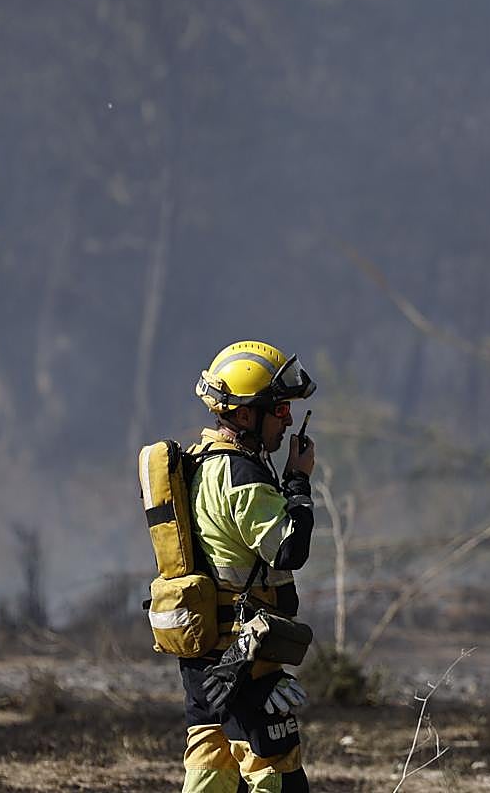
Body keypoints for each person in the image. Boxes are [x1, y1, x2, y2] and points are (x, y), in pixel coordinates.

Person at [180, 340, 317, 793]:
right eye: (277, 409)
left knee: (210, 775)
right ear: (243, 415)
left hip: (205, 659)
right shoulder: (241, 475)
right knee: (276, 778)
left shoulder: (201, 463)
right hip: (243, 661)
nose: (288, 419)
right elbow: (289, 548)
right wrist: (298, 482)